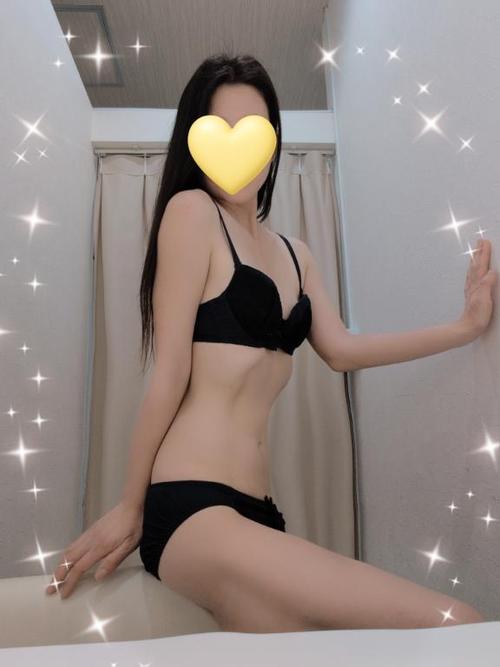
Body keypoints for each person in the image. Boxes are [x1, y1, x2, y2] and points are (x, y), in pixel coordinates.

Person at [45, 53, 492, 633]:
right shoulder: (192, 213)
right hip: (191, 509)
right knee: (457, 621)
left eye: (254, 131)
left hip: (258, 514)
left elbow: (343, 351)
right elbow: (170, 372)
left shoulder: (296, 255)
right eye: (221, 129)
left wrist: (464, 328)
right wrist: (131, 505)